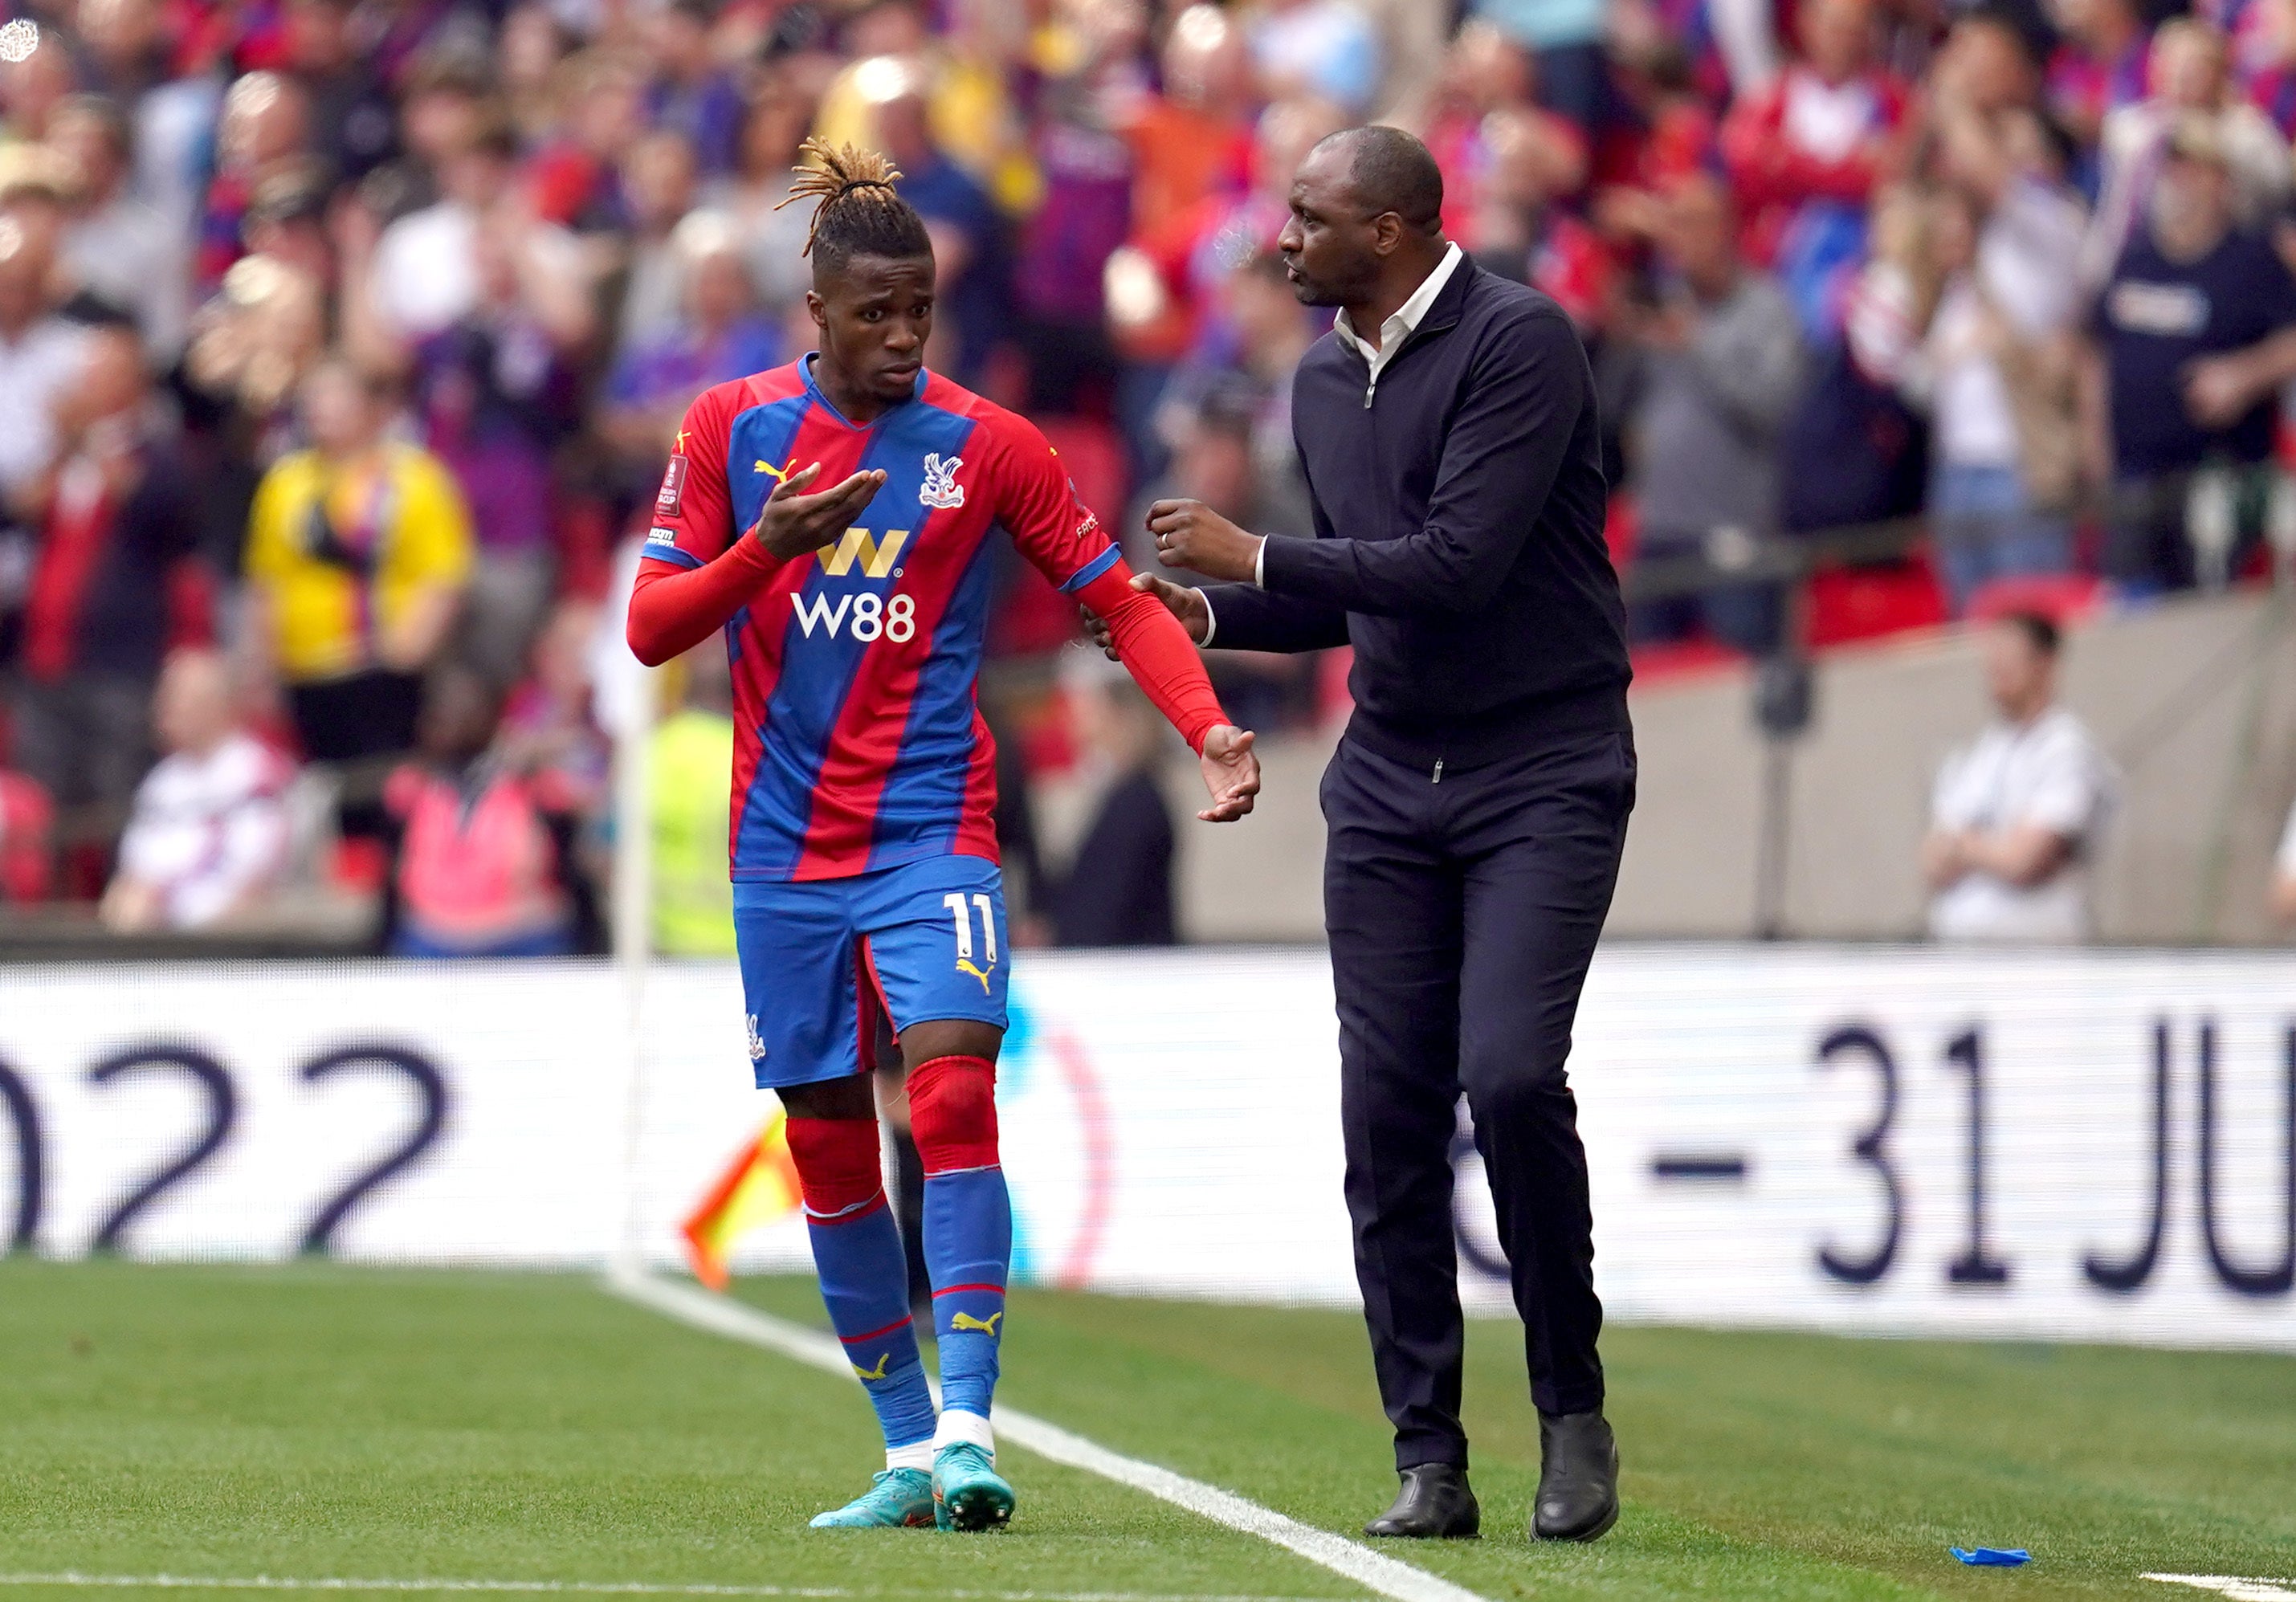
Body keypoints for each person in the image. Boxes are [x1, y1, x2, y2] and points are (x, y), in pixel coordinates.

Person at [622, 140, 1260, 1534]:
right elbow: (650, 626)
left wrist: (1203, 723)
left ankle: (971, 1422)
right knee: (829, 1146)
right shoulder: (728, 428)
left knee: (956, 1092)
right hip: (781, 853)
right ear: (819, 313)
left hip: (930, 831)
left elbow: (1115, 597)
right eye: (876, 312)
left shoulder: (989, 446)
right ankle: (907, 1450)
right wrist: (766, 549)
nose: (904, 333)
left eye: (921, 308)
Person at [1103, 125, 1632, 1544]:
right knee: (1383, 1114)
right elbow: (1363, 597)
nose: (1282, 240)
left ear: (1387, 234)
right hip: (1392, 776)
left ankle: (1569, 1409)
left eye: (1307, 217)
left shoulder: (1520, 345)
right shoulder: (1322, 375)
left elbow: (1454, 568)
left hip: (1541, 767)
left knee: (1511, 1079)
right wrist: (1204, 616)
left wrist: (1250, 557)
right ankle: (1429, 1457)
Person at [2082, 114, 2296, 595]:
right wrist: (2095, 445)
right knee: (2130, 610)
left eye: (2195, 169)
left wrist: (2245, 374)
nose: (2180, 181)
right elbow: (2096, 356)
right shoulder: (2136, 257)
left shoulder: (2252, 259)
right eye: (2172, 169)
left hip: (2218, 473)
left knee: (2204, 605)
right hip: (2135, 475)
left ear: (2222, 181)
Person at [243, 357, 475, 770]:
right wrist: (267, 660)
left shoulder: (416, 478)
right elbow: (267, 578)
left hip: (382, 671)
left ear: (373, 408)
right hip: (306, 671)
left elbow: (441, 574)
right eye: (315, 398)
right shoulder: (285, 483)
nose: (323, 410)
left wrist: (405, 653)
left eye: (337, 397)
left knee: (384, 783)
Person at [1619, 172, 1803, 654]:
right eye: (1674, 226)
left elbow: (1773, 406)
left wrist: (1698, 343)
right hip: (1660, 530)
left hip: (1732, 531)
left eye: (1693, 225)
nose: (1679, 240)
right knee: (1650, 684)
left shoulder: (1767, 308)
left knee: (1740, 684)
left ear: (1728, 230)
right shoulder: (1664, 304)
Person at [1923, 610, 2115, 942]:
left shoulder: (2066, 749)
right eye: (1992, 658)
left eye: (2009, 657)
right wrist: (1989, 849)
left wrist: (1966, 847)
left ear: (2045, 663)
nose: (1996, 668)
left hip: (2038, 956)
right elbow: (1933, 861)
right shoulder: (1982, 751)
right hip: (1962, 952)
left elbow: (2024, 862)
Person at [379, 666, 596, 957]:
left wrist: (530, 754)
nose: (460, 725)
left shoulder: (532, 785)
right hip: (431, 935)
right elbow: (393, 875)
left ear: (495, 719)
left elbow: (579, 814)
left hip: (524, 934)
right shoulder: (412, 787)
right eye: (447, 716)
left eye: (472, 714)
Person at [101, 648, 293, 932]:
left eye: (175, 698)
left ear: (217, 705)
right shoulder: (161, 781)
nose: (161, 709)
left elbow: (256, 881)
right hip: (161, 938)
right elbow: (136, 871)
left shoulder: (259, 773)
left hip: (236, 939)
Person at [1048, 654, 1179, 948]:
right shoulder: (1124, 794)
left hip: (1130, 976)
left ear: (1114, 711)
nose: (1071, 719)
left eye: (1082, 707)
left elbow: (1104, 908)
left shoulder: (1136, 802)